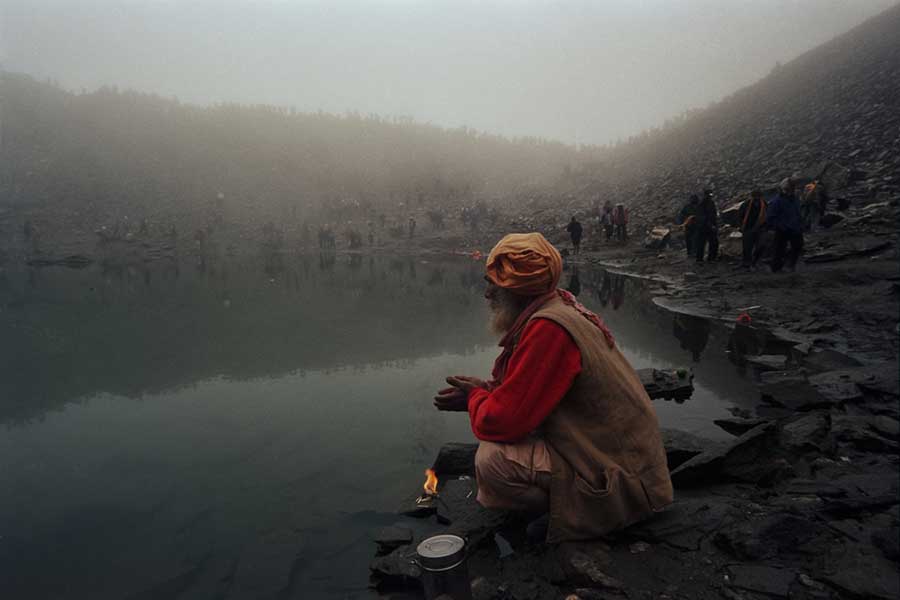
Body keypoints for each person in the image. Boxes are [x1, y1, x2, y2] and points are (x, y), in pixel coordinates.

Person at [433, 233, 673, 543]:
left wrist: (476, 398)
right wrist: (484, 390)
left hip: (627, 483)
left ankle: (582, 513)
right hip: (630, 464)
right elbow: (526, 389)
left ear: (518, 291)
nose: (488, 294)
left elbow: (502, 421)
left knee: (492, 462)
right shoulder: (559, 305)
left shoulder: (549, 328)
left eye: (495, 284)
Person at [767, 178, 804, 272]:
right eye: (788, 189)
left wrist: (800, 223)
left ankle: (791, 265)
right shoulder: (777, 201)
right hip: (783, 229)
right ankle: (776, 268)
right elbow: (771, 217)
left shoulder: (795, 199)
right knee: (779, 249)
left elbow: (798, 212)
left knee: (798, 245)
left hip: (795, 227)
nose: (790, 191)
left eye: (792, 189)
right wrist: (780, 226)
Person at [738, 190, 767, 269]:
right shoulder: (746, 205)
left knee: (761, 245)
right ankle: (746, 262)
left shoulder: (764, 204)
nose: (757, 199)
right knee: (747, 247)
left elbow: (766, 216)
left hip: (760, 228)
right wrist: (741, 226)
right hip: (748, 228)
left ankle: (755, 261)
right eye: (755, 197)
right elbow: (740, 216)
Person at [694, 190, 719, 263]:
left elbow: (712, 215)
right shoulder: (703, 204)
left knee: (711, 243)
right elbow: (704, 216)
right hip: (704, 227)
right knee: (703, 243)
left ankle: (709, 258)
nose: (710, 197)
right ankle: (702, 259)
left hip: (707, 226)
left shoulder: (709, 203)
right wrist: (711, 225)